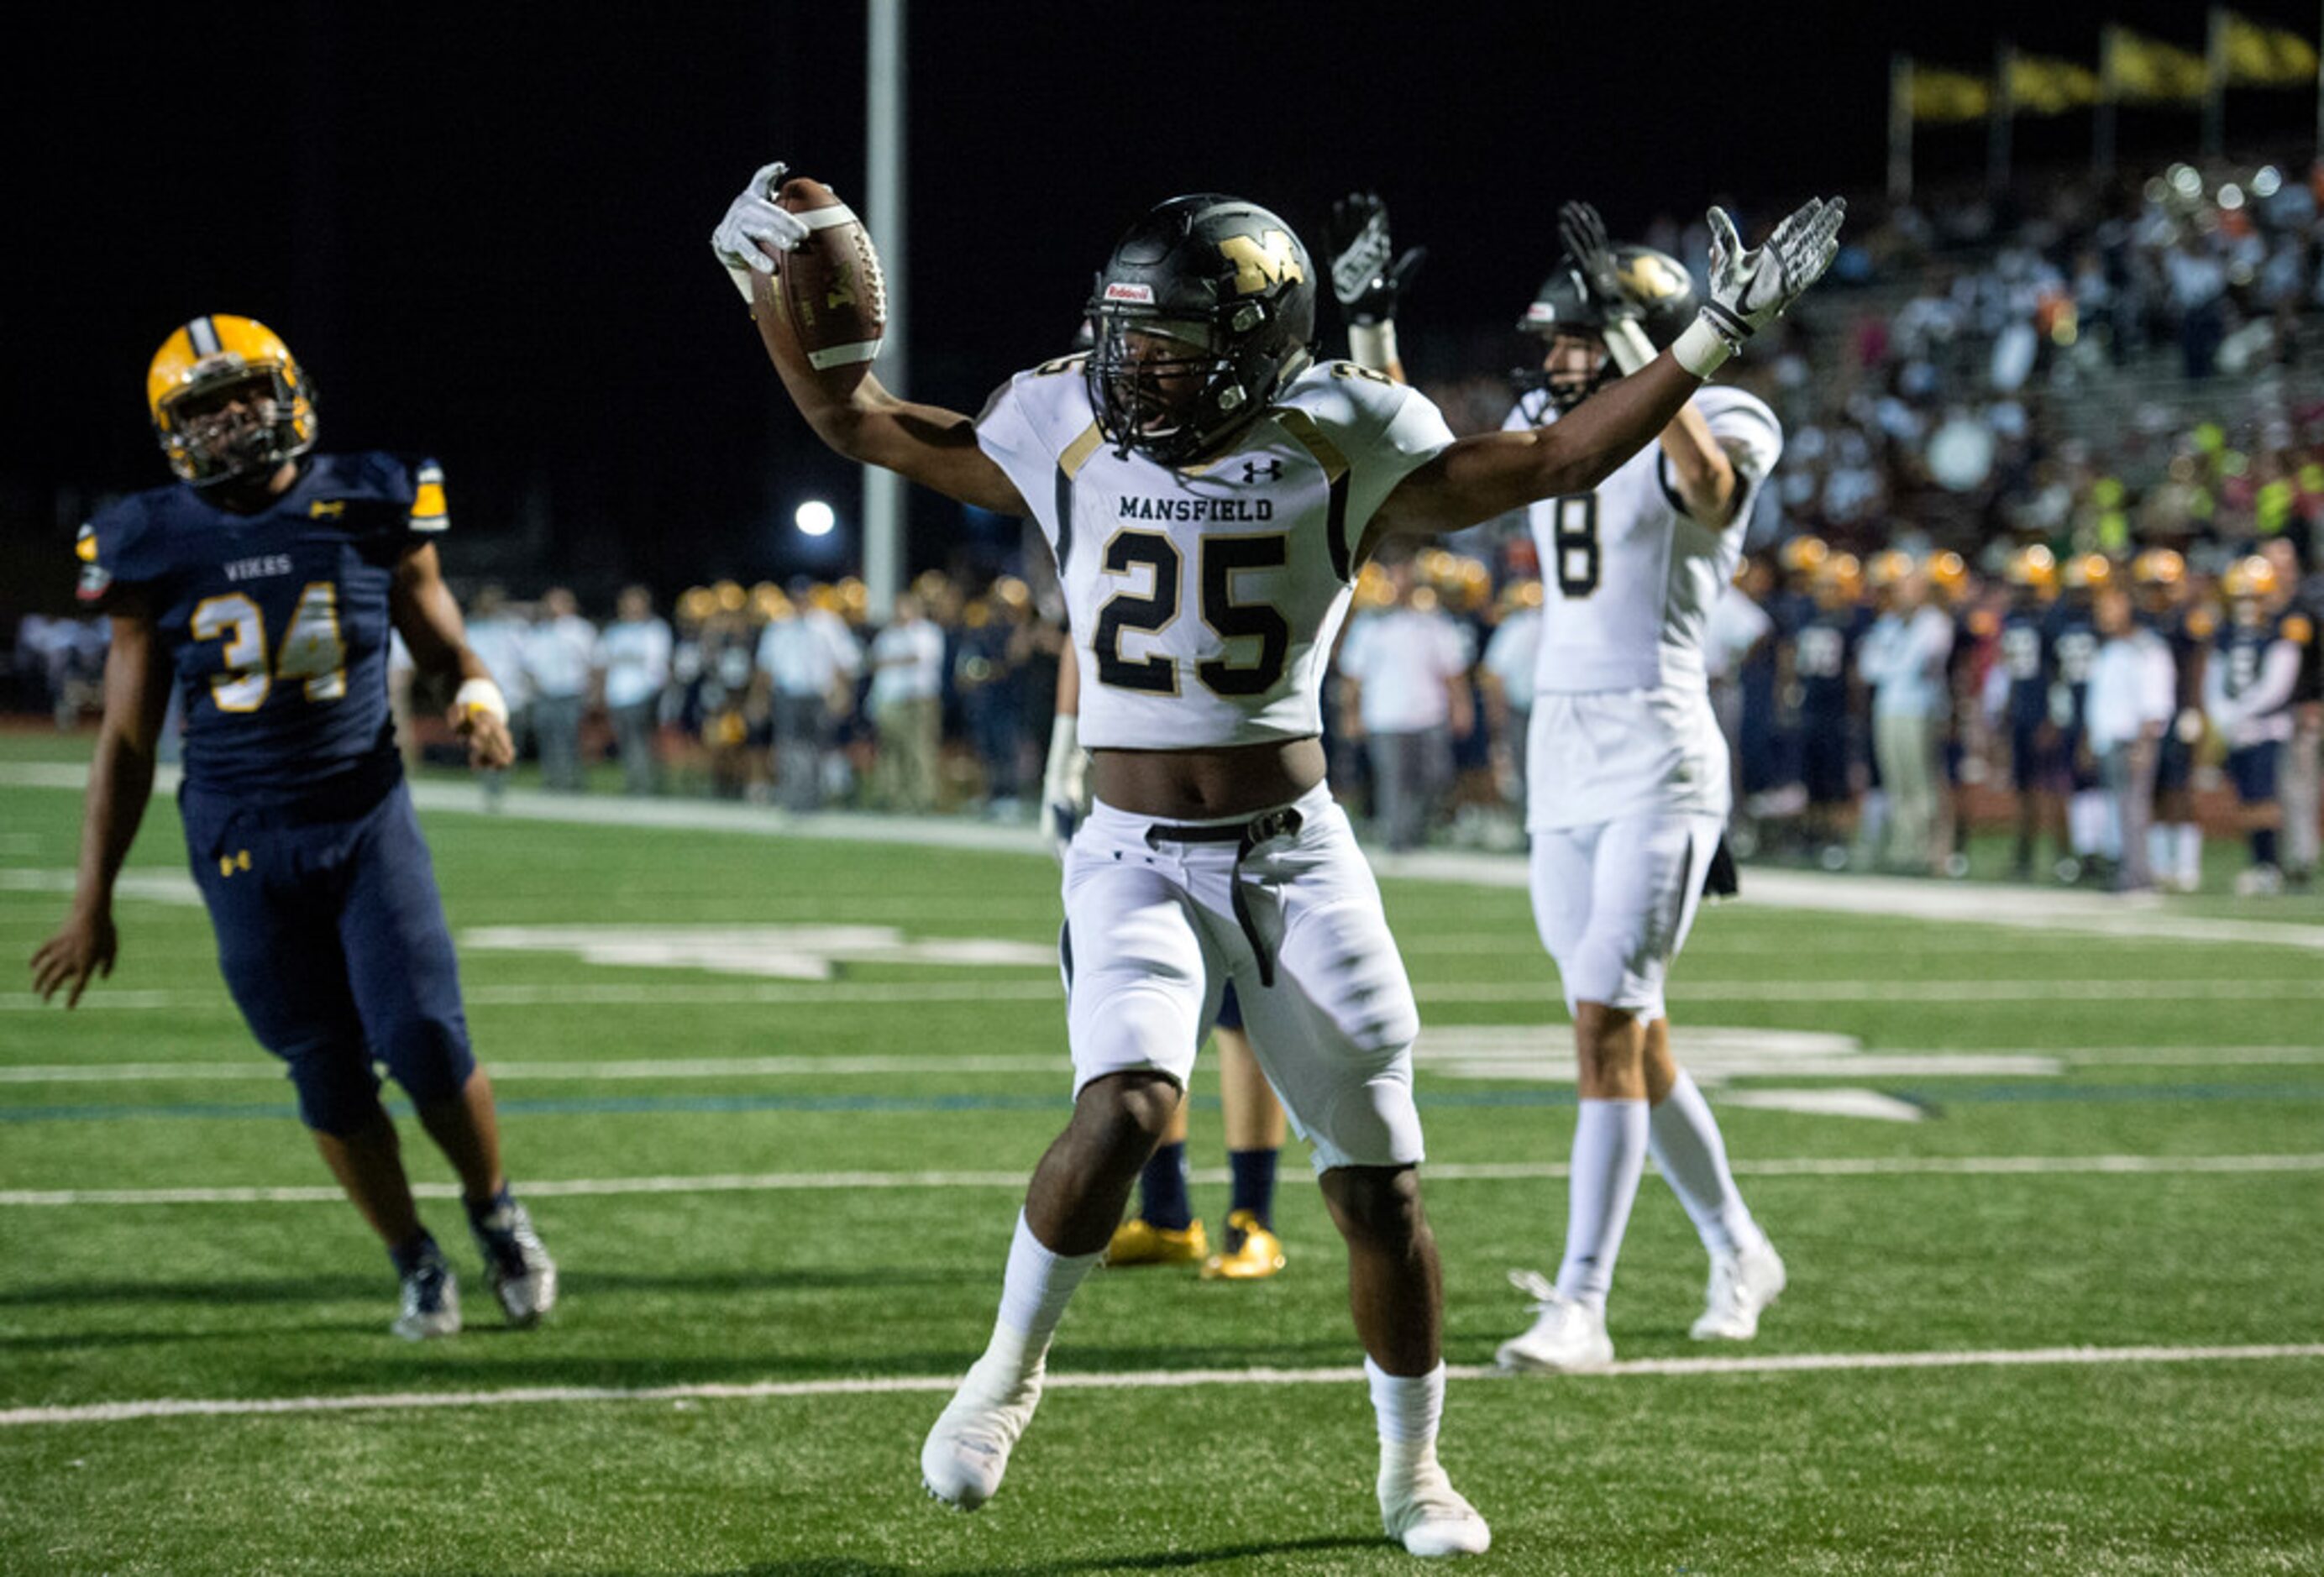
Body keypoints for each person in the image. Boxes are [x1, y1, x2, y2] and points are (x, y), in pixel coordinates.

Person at [716, 162, 1839, 1553]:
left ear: (1254, 352)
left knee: (1381, 1187)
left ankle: (1412, 1470)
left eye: (1173, 352)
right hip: (1127, 847)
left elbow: (1550, 459)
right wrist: (773, 295)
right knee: (1124, 1101)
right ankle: (1003, 1377)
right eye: (1126, 339)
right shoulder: (1060, 412)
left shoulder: (1343, 433)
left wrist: (1710, 334)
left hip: (1296, 853)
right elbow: (855, 414)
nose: (1137, 375)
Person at [29, 314, 555, 1339]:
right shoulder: (148, 539)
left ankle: (495, 1211)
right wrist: (91, 898)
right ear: (171, 430)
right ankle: (414, 1259)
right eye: (203, 407)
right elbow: (128, 743)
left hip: (364, 818)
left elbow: (446, 645)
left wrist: (480, 701)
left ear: (287, 393)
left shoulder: (371, 498)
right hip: (238, 836)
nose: (232, 419)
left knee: (424, 1038)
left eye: (247, 394)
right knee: (322, 1065)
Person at [1364, 202, 1788, 1373]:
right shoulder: (1547, 423)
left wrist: (1663, 356)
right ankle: (1738, 1242)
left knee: (1606, 1023)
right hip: (1561, 753)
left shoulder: (1727, 412)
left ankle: (1581, 1305)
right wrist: (1370, 331)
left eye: (1574, 336)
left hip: (1658, 749)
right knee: (1624, 1034)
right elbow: (1417, 474)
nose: (1550, 358)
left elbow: (1705, 492)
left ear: (1634, 335)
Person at [1044, 654, 1290, 1280]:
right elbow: (1084, 622)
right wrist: (1064, 746)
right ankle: (1165, 1213)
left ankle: (1251, 1217)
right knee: (1145, 1004)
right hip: (1136, 798)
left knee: (1245, 1011)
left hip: (1243, 780)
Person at [1336, 559, 1475, 851]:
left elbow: (1453, 671)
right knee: (1393, 781)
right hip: (1384, 715)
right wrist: (1351, 713)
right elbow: (1353, 676)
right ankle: (1398, 840)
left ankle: (1416, 833)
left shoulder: (1434, 621)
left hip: (1429, 713)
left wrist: (1461, 706)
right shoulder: (1369, 624)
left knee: (1434, 778)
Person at [2206, 555, 2311, 895]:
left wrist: (2238, 714)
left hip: (2269, 727)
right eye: (2241, 597)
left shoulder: (2283, 628)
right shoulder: (2226, 634)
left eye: (2253, 596)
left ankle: (2272, 864)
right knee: (2247, 799)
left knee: (2266, 797)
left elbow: (2278, 685)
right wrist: (2222, 715)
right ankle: (2258, 862)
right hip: (2238, 728)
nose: (2246, 605)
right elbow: (2214, 677)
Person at [1857, 559, 1954, 875]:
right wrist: (1894, 665)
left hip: (1919, 708)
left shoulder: (1935, 622)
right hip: (1888, 708)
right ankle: (1903, 848)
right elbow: (1868, 667)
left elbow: (1917, 663)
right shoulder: (1889, 624)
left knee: (1920, 780)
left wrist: (1892, 664)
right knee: (1895, 779)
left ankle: (1929, 851)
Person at [2085, 581, 2175, 893]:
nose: (2103, 615)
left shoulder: (2145, 648)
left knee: (2134, 809)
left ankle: (2138, 876)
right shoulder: (2111, 648)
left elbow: (2155, 702)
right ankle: (2126, 870)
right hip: (2111, 740)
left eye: (2110, 608)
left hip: (2131, 741)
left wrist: (2145, 744)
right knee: (2119, 809)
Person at [868, 591, 946, 813]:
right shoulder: (888, 635)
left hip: (919, 699)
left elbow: (918, 658)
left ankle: (922, 797)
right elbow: (874, 663)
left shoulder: (927, 632)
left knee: (919, 748)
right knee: (891, 748)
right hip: (891, 698)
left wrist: (889, 662)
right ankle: (890, 796)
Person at [595, 584, 672, 796]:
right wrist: (600, 693)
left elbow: (660, 664)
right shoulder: (614, 631)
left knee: (643, 741)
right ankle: (634, 782)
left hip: (645, 694)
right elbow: (601, 663)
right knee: (626, 741)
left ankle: (646, 785)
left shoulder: (655, 629)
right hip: (618, 695)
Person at [461, 583, 532, 809]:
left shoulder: (514, 629)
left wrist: (528, 688)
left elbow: (527, 661)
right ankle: (489, 786)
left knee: (509, 743)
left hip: (511, 695)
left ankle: (501, 783)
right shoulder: (469, 630)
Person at [524, 587, 595, 792]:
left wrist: (592, 691)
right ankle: (552, 780)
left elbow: (593, 663)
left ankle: (574, 781)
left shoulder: (581, 630)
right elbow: (529, 664)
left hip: (572, 692)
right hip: (546, 693)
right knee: (547, 739)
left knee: (571, 738)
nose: (552, 607)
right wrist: (534, 685)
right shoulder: (539, 632)